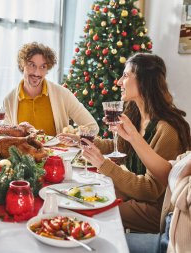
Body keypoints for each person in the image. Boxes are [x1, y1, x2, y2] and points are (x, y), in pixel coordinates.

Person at [60, 53, 191, 233]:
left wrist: (103, 164)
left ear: (145, 81)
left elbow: (150, 190)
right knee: (85, 192)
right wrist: (82, 140)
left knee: (96, 211)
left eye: (126, 75)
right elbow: (119, 148)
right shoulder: (136, 115)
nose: (119, 81)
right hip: (136, 195)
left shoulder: (167, 130)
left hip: (157, 209)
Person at [116, 114, 191, 253]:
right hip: (170, 230)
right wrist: (133, 136)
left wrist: (103, 164)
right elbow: (170, 173)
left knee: (105, 237)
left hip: (173, 243)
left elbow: (160, 191)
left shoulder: (167, 129)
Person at [3, 42, 98, 136]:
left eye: (43, 67)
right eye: (32, 65)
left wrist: (74, 137)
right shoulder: (9, 100)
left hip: (57, 151)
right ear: (22, 65)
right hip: (23, 151)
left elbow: (93, 127)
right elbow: (6, 136)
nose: (37, 73)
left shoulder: (63, 94)